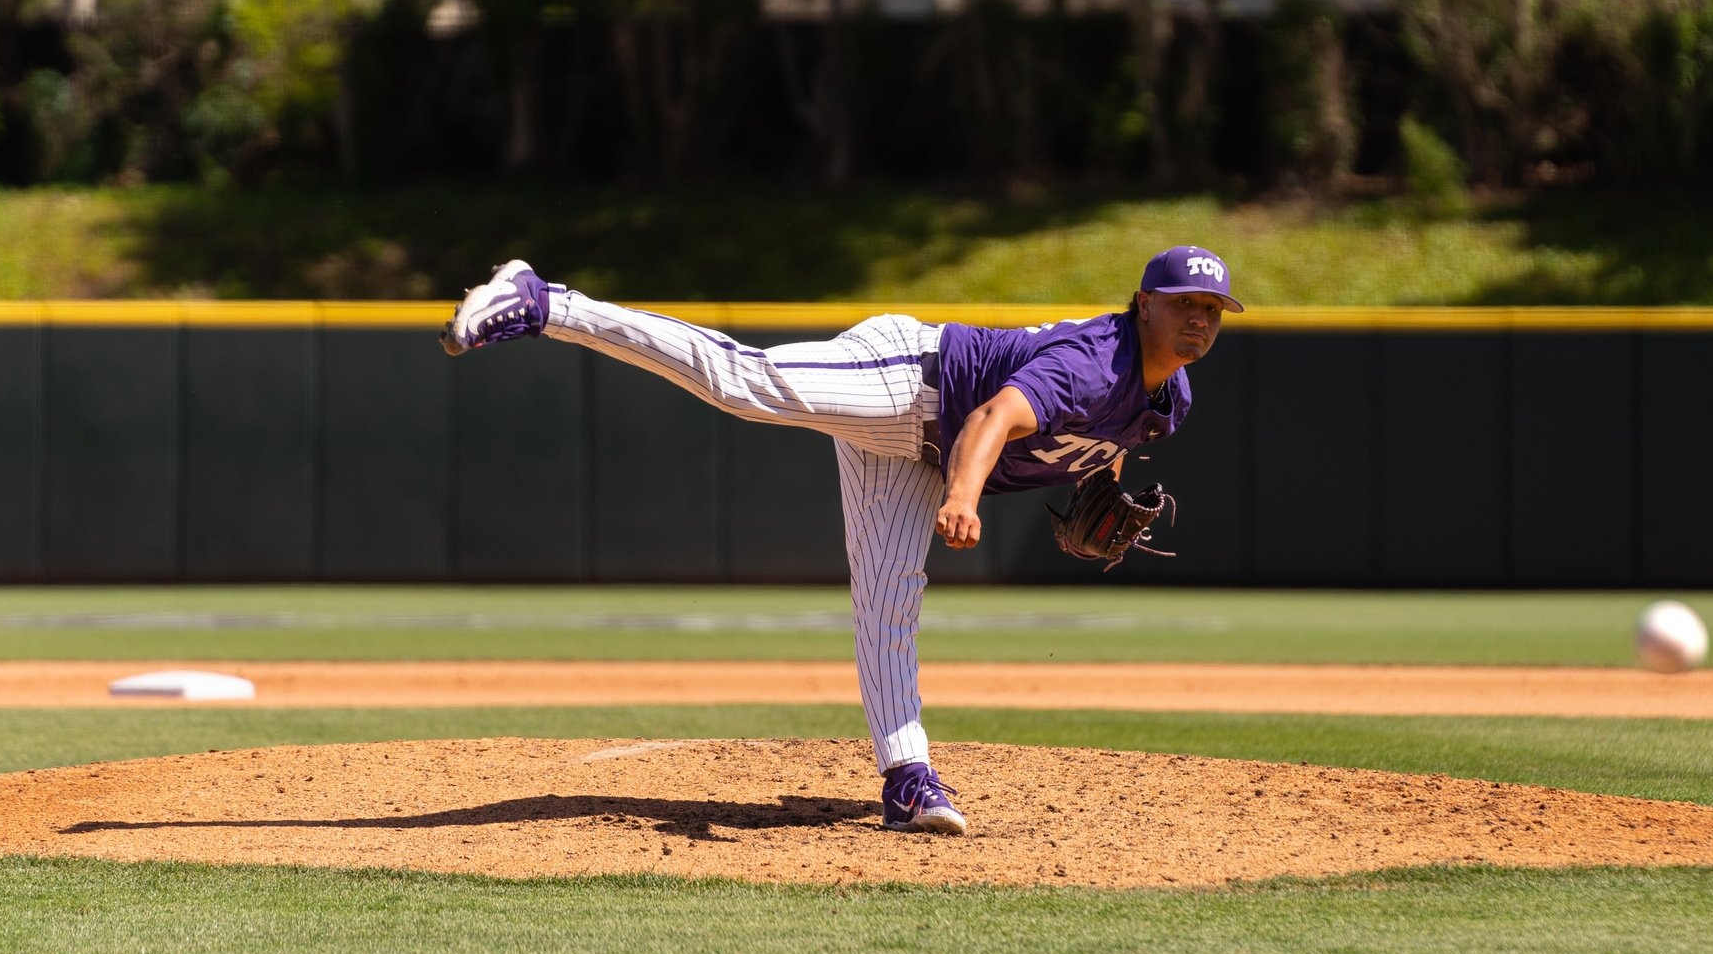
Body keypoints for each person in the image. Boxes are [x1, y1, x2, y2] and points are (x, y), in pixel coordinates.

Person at [438, 246, 1244, 836]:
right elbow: (996, 416)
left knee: (890, 597)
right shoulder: (1094, 364)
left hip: (917, 450)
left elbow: (1087, 440)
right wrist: (964, 496)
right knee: (746, 382)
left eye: (1211, 311)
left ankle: (906, 778)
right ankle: (547, 301)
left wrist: (1087, 484)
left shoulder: (1165, 402)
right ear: (1144, 303)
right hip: (911, 377)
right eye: (1185, 305)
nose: (1199, 320)